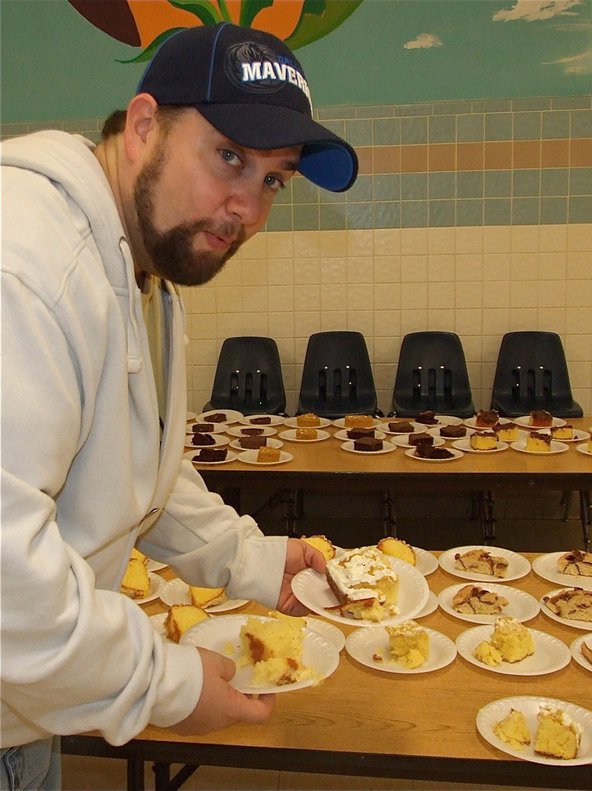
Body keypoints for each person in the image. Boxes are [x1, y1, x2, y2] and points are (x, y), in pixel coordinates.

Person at [0, 23, 357, 789]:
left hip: (26, 709)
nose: (247, 209)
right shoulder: (27, 265)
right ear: (141, 127)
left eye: (273, 179)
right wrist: (168, 681)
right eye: (229, 155)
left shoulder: (140, 267)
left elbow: (140, 467)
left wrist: (255, 561)